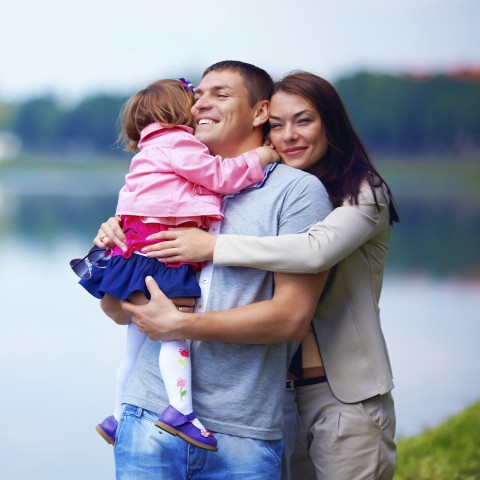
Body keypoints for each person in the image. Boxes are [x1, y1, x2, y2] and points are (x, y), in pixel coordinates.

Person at [128, 71, 400, 479]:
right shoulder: (266, 190)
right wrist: (116, 236)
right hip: (278, 395)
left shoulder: (363, 193)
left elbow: (314, 250)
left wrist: (213, 248)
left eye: (304, 121)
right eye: (277, 124)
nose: (288, 135)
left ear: (332, 125)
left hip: (342, 392)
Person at [95, 61, 332, 479]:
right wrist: (115, 245)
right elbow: (115, 312)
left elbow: (291, 318)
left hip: (241, 433)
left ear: (260, 113)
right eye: (199, 94)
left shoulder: (297, 192)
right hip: (145, 418)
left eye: (220, 95)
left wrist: (177, 324)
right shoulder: (165, 176)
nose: (201, 103)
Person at [70, 77, 280, 452]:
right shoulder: (178, 142)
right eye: (195, 100)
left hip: (135, 256)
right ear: (178, 112)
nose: (199, 107)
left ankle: (116, 415)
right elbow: (219, 177)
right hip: (164, 261)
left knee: (133, 347)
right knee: (174, 335)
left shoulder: (147, 151)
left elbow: (131, 204)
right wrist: (261, 157)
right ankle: (181, 410)